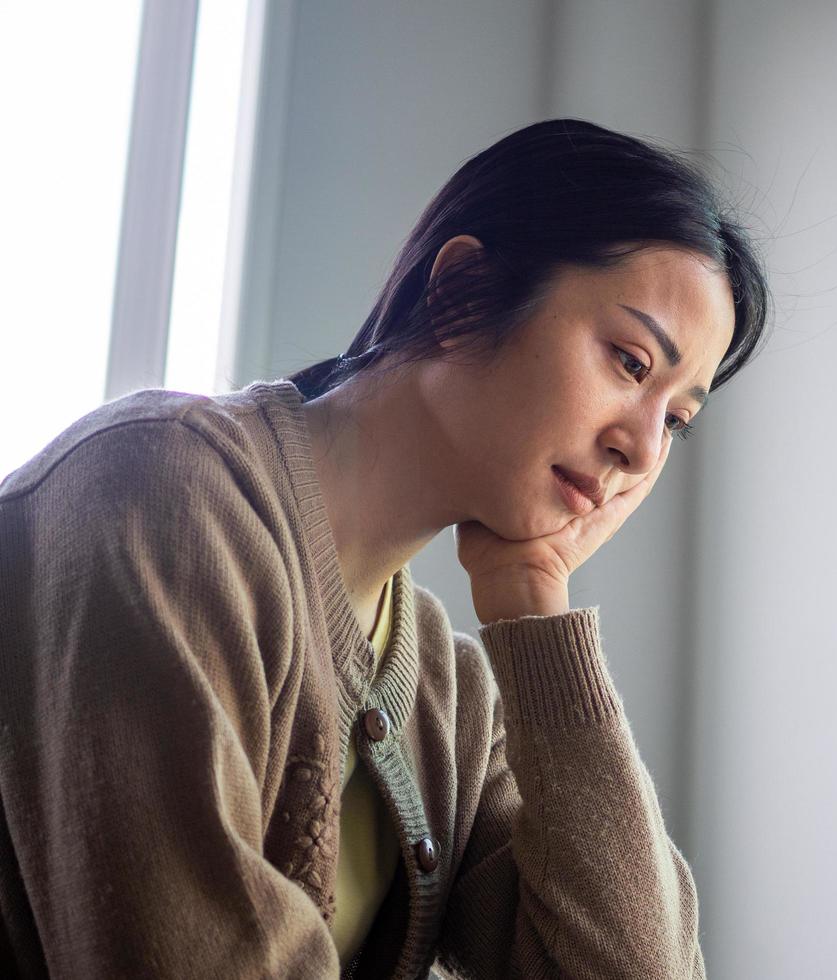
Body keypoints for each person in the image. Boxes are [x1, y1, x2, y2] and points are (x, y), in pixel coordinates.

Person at [0, 118, 770, 979]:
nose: (643, 449)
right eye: (630, 363)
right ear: (465, 293)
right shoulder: (157, 494)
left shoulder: (452, 693)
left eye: (678, 420)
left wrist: (537, 613)